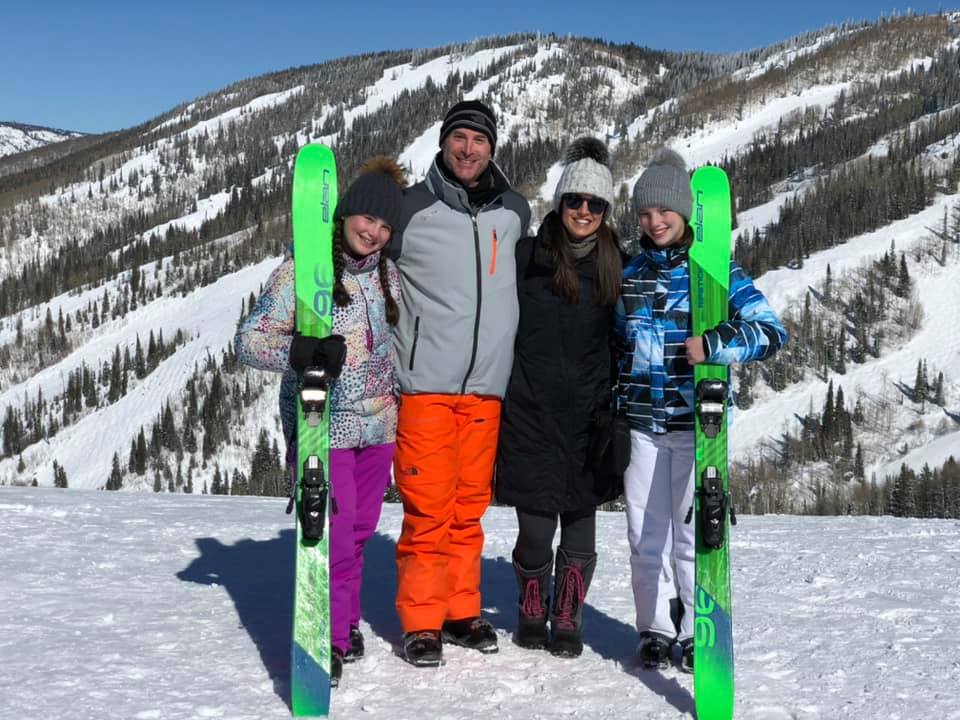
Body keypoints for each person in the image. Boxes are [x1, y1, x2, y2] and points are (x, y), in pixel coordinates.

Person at [234, 156, 405, 687]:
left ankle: (346, 621)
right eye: (366, 220)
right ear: (346, 213)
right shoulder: (303, 270)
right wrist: (300, 349)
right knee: (327, 536)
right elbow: (248, 342)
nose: (372, 233)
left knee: (356, 534)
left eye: (384, 226)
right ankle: (326, 637)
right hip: (321, 424)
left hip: (379, 428)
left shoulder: (387, 275)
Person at [615, 149, 786, 673]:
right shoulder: (630, 272)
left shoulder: (715, 269)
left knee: (692, 538)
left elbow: (770, 332)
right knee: (645, 538)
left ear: (686, 213)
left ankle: (693, 631)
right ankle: (654, 630)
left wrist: (713, 344)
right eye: (644, 214)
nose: (654, 221)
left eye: (664, 212)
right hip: (641, 426)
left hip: (697, 428)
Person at [388, 99, 531, 666]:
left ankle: (460, 612)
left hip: (487, 389)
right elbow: (363, 251)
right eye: (459, 139)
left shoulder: (514, 211)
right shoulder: (412, 208)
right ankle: (421, 622)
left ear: (492, 148)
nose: (468, 150)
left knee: (470, 508)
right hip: (426, 386)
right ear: (443, 143)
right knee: (428, 510)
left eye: (479, 140)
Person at [495, 137, 624, 658]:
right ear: (560, 202)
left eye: (596, 204)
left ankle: (566, 612)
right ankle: (532, 603)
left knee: (581, 527)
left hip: (591, 417)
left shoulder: (619, 264)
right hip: (529, 411)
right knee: (535, 528)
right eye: (576, 201)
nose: (585, 212)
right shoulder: (528, 257)